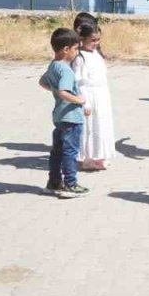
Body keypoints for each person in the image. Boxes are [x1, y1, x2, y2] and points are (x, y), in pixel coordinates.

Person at [38, 28, 88, 199]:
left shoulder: (53, 65)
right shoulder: (66, 70)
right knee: (70, 152)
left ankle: (53, 182)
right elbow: (63, 92)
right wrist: (79, 100)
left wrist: (56, 90)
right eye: (76, 49)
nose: (77, 52)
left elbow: (42, 82)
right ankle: (70, 184)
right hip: (71, 117)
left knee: (57, 151)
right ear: (66, 49)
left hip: (59, 116)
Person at [75, 22, 114, 171]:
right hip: (90, 96)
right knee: (90, 127)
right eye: (92, 40)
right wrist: (85, 103)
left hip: (102, 94)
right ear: (82, 39)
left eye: (98, 40)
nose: (96, 43)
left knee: (102, 125)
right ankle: (88, 157)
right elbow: (80, 82)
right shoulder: (80, 58)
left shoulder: (96, 54)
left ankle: (100, 155)